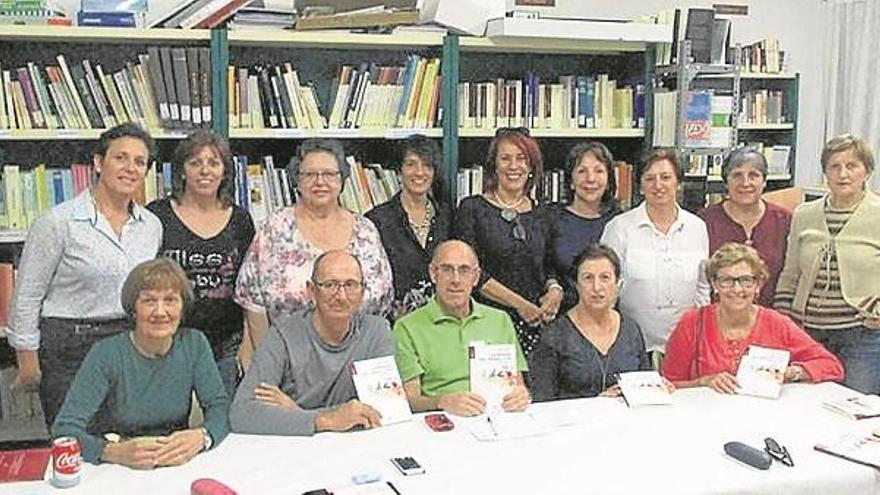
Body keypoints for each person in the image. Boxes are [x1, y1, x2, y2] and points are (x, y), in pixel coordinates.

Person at [6, 123, 163, 427]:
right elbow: (27, 295)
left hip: (130, 344)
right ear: (98, 162)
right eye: (120, 158)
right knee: (76, 442)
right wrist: (27, 360)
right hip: (70, 347)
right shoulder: (58, 222)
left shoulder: (151, 226)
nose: (130, 168)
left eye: (139, 162)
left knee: (126, 443)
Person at [51, 258, 229, 468]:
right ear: (133, 308)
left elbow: (219, 407)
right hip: (117, 465)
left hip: (176, 463)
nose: (160, 312)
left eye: (170, 300)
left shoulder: (194, 344)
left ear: (182, 308)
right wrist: (111, 452)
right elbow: (64, 430)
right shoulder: (106, 353)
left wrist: (202, 437)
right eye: (149, 301)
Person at [234, 139, 393, 353]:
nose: (320, 182)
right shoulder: (274, 229)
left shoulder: (366, 231)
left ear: (342, 180)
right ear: (296, 181)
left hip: (359, 358)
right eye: (310, 174)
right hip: (288, 359)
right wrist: (269, 362)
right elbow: (253, 304)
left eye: (329, 174)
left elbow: (382, 303)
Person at [230, 251, 394, 436]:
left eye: (350, 285)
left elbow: (385, 409)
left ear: (363, 291)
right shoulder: (282, 336)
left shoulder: (376, 331)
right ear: (311, 291)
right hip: (295, 449)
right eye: (330, 285)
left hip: (355, 445)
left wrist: (297, 412)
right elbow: (241, 414)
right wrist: (325, 420)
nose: (341, 296)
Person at [147, 130, 255, 396]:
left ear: (225, 171)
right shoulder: (156, 215)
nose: (204, 170)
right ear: (181, 170)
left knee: (223, 421)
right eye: (195, 163)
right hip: (169, 339)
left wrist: (248, 342)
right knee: (170, 426)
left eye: (213, 163)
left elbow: (250, 286)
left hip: (227, 343)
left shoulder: (240, 220)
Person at [775, 134, 880, 394]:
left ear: (866, 171)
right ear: (825, 173)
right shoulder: (804, 214)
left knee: (856, 408)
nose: (843, 174)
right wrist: (784, 318)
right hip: (809, 332)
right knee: (808, 404)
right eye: (835, 166)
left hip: (862, 332)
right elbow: (791, 271)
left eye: (851, 166)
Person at [663, 243, 844, 393]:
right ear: (714, 285)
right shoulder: (692, 322)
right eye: (726, 281)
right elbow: (669, 384)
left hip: (765, 416)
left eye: (746, 280)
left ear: (759, 285)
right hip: (705, 417)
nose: (737, 290)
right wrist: (704, 381)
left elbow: (832, 366)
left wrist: (791, 373)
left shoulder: (778, 323)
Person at [455, 128, 561, 355]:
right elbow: (471, 272)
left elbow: (550, 265)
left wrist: (554, 291)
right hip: (487, 323)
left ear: (531, 166)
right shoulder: (472, 209)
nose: (514, 166)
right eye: (505, 158)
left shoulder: (543, 212)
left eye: (521, 158)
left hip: (537, 325)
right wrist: (520, 305)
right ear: (494, 166)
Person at [393, 240, 530, 416]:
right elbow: (408, 400)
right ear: (433, 274)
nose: (455, 280)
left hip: (499, 417)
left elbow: (517, 384)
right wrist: (442, 402)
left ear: (476, 277)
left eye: (464, 270)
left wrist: (521, 395)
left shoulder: (500, 320)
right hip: (444, 423)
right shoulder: (407, 327)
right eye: (447, 269)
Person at [600, 148, 710, 363]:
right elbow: (607, 289)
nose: (658, 185)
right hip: (634, 346)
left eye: (666, 177)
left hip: (687, 345)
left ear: (679, 184)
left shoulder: (697, 227)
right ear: (640, 185)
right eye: (650, 178)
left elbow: (703, 288)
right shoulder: (620, 228)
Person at [530, 245, 651, 401]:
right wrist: (597, 404)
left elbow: (644, 384)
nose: (596, 287)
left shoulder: (631, 329)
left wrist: (657, 388)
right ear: (576, 285)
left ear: (617, 284)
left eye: (605, 278)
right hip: (572, 423)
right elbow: (542, 401)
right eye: (588, 278)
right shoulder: (555, 335)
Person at [366, 135, 451, 320]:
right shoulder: (377, 220)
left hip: (443, 321)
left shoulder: (449, 218)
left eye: (427, 165)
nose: (419, 172)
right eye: (411, 164)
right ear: (399, 171)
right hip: (395, 324)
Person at [699, 147, 791, 306]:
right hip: (719, 318)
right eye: (737, 175)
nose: (745, 183)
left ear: (764, 181)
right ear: (726, 182)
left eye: (753, 175)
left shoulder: (785, 221)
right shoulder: (704, 222)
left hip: (772, 320)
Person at [544, 142, 621, 312]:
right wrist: (553, 285)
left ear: (609, 181)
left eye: (599, 171)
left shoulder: (620, 222)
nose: (590, 179)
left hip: (609, 317)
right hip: (562, 317)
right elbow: (544, 267)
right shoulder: (551, 218)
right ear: (571, 181)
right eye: (582, 171)